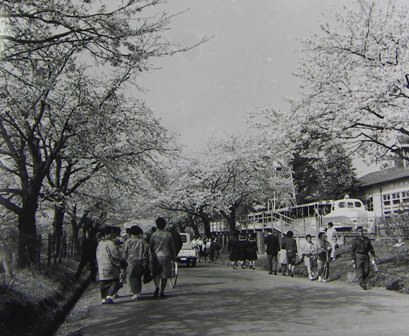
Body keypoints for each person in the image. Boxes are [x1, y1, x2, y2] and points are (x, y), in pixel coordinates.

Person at [96, 226, 127, 304]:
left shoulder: (100, 243)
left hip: (101, 266)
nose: (112, 235)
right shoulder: (110, 243)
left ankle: (103, 298)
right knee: (114, 281)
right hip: (110, 266)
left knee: (103, 283)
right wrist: (122, 261)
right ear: (106, 234)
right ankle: (109, 296)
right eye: (111, 233)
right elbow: (116, 254)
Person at [149, 217, 176, 298]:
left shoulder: (154, 235)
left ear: (156, 225)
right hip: (166, 256)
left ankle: (157, 287)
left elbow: (150, 246)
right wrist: (174, 256)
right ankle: (162, 291)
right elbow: (172, 246)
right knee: (164, 275)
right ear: (165, 225)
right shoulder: (168, 234)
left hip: (156, 256)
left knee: (156, 274)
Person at [122, 225, 150, 301]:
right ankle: (138, 292)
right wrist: (146, 262)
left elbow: (124, 252)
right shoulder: (143, 241)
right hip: (140, 262)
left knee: (131, 277)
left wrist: (123, 262)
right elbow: (146, 252)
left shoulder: (128, 241)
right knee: (138, 277)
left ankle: (135, 292)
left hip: (130, 262)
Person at [351, 226, 376, 290]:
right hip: (358, 256)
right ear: (357, 232)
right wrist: (353, 260)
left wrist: (373, 254)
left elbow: (370, 247)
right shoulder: (355, 240)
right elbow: (352, 251)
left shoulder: (366, 239)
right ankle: (362, 284)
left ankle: (361, 280)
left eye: (361, 231)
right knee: (360, 271)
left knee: (367, 270)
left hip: (366, 256)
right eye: (359, 231)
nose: (361, 233)